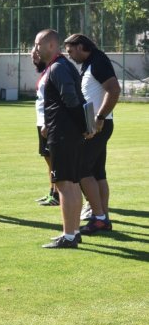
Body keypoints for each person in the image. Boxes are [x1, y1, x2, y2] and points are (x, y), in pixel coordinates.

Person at [34, 29, 88, 249]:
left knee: (64, 185)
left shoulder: (57, 68)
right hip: (65, 132)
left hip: (64, 135)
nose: (35, 49)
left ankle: (68, 236)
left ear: (50, 46)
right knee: (72, 184)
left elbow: (72, 100)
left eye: (38, 44)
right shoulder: (62, 66)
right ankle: (73, 232)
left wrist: (83, 126)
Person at [64, 33, 121, 235]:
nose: (69, 55)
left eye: (71, 50)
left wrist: (99, 117)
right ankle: (102, 216)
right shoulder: (91, 62)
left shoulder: (98, 62)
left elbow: (114, 90)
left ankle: (99, 218)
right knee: (98, 173)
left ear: (80, 47)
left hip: (97, 126)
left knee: (81, 171)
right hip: (96, 125)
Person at [31, 46, 59, 207]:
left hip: (48, 123)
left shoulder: (54, 69)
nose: (34, 60)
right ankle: (52, 191)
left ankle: (57, 194)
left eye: (35, 56)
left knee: (54, 160)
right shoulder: (46, 71)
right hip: (41, 121)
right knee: (48, 159)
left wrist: (48, 123)